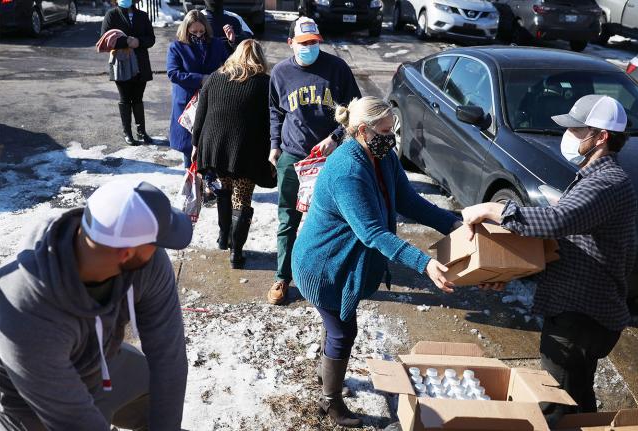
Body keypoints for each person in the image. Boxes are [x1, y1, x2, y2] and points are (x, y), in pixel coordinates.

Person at [461, 95, 638, 420]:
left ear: (601, 137)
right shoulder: (595, 177)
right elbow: (565, 240)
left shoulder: (606, 183)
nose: (568, 136)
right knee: (578, 399)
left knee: (556, 408)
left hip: (581, 317)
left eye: (576, 129)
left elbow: (556, 222)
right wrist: (505, 268)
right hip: (579, 310)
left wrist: (491, 208)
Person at [293, 96, 461, 427]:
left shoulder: (381, 156)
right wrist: (424, 263)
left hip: (343, 263)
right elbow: (372, 233)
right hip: (324, 268)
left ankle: (324, 371)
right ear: (363, 130)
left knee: (336, 327)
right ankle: (332, 402)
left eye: (392, 129)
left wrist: (451, 223)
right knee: (343, 331)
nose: (391, 137)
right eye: (385, 131)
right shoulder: (346, 171)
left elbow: (409, 200)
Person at [0, 179, 191, 430]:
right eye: (155, 244)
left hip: (101, 363)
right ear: (125, 253)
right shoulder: (25, 312)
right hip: (34, 401)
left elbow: (168, 355)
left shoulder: (146, 262)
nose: (159, 249)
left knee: (160, 395)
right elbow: (72, 421)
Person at [268, 16, 361, 305]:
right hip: (293, 157)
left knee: (333, 218)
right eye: (304, 43)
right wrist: (274, 146)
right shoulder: (281, 73)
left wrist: (335, 136)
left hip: (330, 159)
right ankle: (282, 278)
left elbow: (355, 109)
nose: (310, 47)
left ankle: (328, 275)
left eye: (314, 42)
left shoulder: (337, 68)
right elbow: (275, 111)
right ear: (290, 43)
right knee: (288, 217)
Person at [191, 40, 275, 269]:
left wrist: (195, 144)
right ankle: (236, 252)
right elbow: (271, 120)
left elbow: (200, 114)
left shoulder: (214, 78)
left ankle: (223, 236)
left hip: (215, 147)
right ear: (259, 58)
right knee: (242, 198)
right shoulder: (265, 83)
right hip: (247, 151)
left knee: (223, 191)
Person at [167, 10, 229, 169]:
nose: (199, 35)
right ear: (186, 29)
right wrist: (201, 79)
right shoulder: (176, 47)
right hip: (187, 101)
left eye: (202, 31)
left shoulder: (216, 43)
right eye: (194, 32)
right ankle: (191, 181)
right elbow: (173, 73)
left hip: (212, 99)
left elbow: (228, 65)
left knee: (209, 143)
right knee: (189, 147)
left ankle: (208, 183)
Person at [101, 0, 155, 146]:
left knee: (138, 98)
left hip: (140, 63)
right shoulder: (111, 15)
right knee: (125, 98)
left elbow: (151, 38)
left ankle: (141, 131)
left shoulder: (142, 15)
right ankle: (127, 132)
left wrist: (139, 41)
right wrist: (126, 42)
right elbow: (105, 39)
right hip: (122, 63)